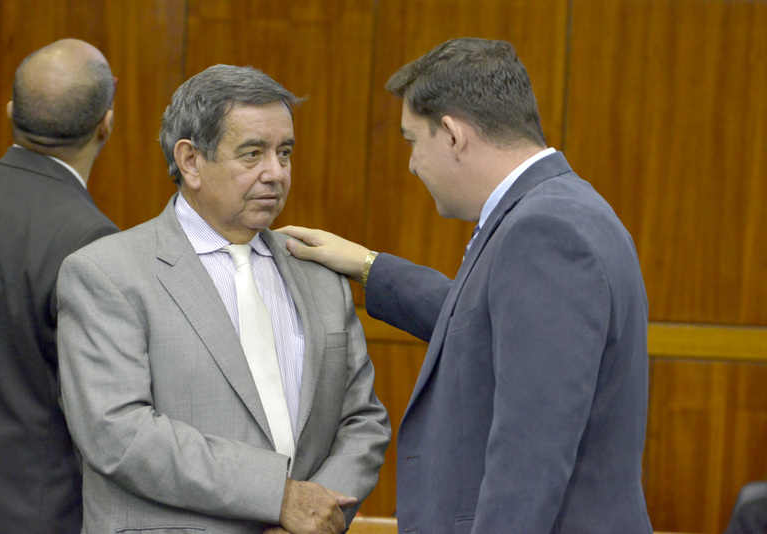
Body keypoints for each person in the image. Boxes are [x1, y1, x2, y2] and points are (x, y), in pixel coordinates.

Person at [279, 38, 653, 533]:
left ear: (453, 135)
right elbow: (494, 329)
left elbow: (530, 456)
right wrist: (368, 265)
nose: (412, 164)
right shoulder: (565, 208)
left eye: (412, 141)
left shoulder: (543, 231)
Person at [56, 64, 390, 534]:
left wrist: (318, 512)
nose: (276, 173)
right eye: (252, 154)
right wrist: (279, 497)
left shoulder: (318, 274)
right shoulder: (107, 273)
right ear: (191, 161)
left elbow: (363, 420)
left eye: (285, 153)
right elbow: (118, 433)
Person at [0, 39, 118, 533]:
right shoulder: (90, 241)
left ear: (11, 110)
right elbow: (102, 414)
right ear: (106, 124)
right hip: (33, 512)